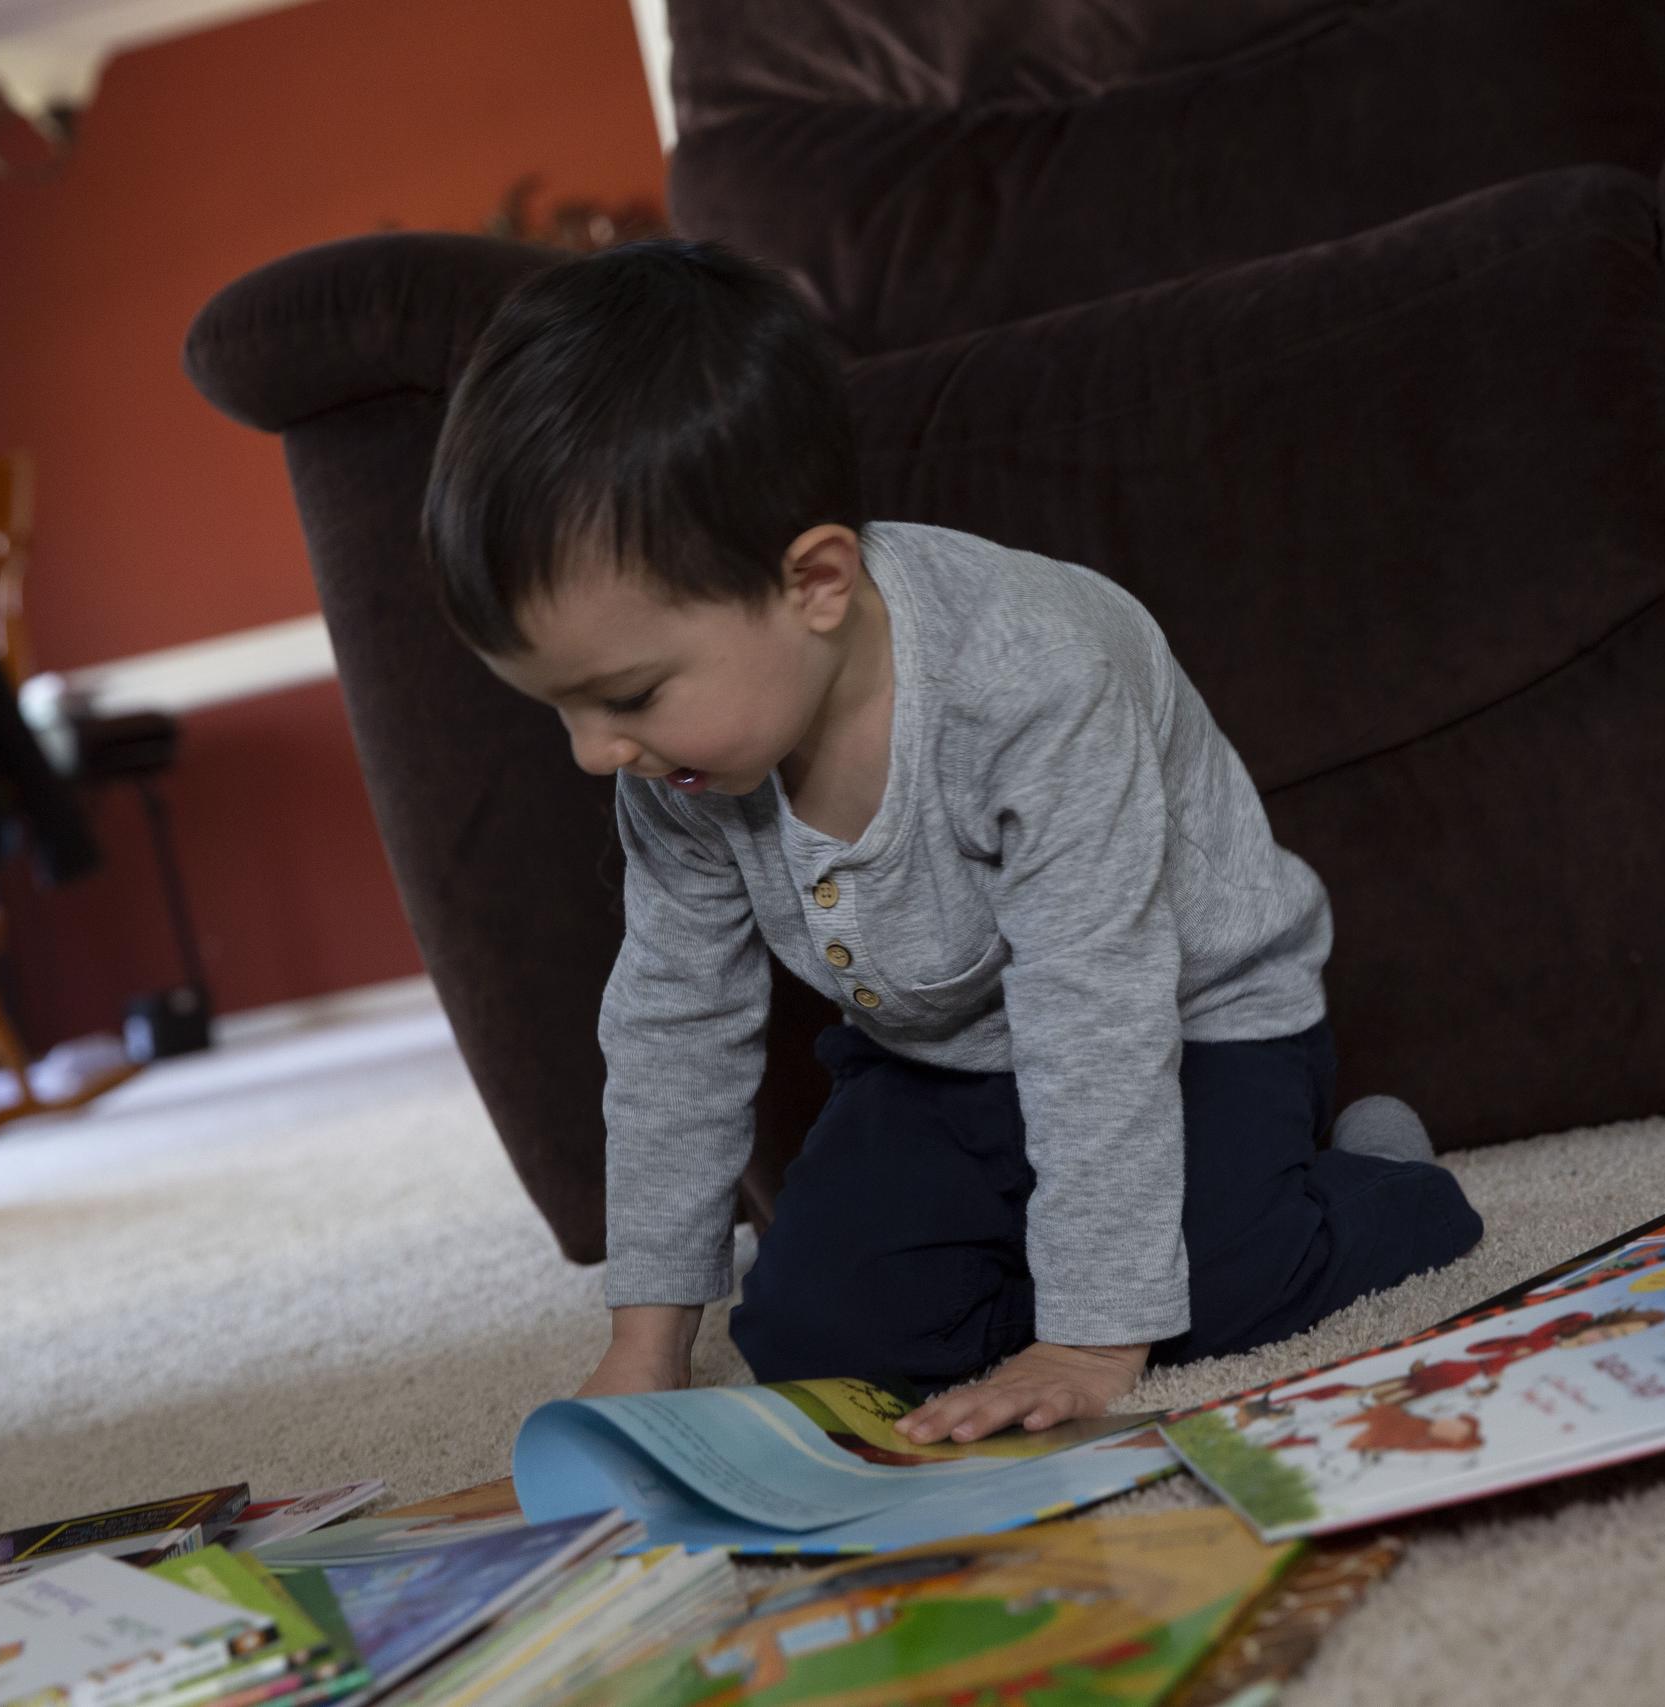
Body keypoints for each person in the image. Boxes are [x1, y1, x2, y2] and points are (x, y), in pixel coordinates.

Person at [422, 239, 1484, 1445]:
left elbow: (1096, 1004)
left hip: (1186, 1017)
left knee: (1204, 1296)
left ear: (815, 581)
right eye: (558, 707)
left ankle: (1379, 1184)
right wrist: (646, 1342)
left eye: (626, 694)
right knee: (813, 1337)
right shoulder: (677, 762)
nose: (591, 753)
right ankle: (1089, 1246)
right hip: (940, 1050)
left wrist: (1088, 1341)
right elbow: (676, 1023)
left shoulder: (1029, 678)